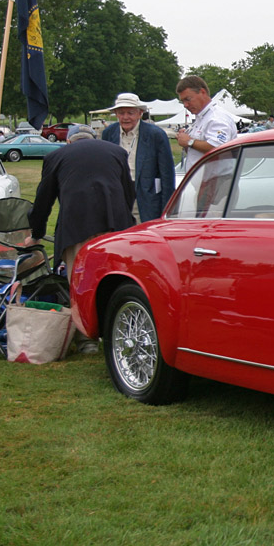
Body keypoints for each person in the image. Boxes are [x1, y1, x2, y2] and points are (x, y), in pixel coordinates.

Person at [26, 124, 135, 354]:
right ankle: (119, 333)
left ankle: (87, 339)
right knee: (115, 280)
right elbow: (128, 192)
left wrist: (36, 234)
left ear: (69, 141)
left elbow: (43, 201)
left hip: (77, 227)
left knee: (81, 283)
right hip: (114, 226)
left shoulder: (56, 156)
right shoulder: (116, 152)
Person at [101, 92, 176, 222]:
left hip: (145, 198)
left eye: (130, 113)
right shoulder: (109, 133)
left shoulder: (155, 135)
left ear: (140, 113)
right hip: (117, 196)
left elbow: (167, 175)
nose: (125, 117)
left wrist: (167, 209)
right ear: (116, 114)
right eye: (121, 113)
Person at [174, 75, 237, 171]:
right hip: (205, 181)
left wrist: (190, 141)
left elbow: (218, 148)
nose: (185, 105)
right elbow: (198, 151)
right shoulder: (202, 118)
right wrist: (186, 140)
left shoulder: (216, 117)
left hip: (218, 181)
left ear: (202, 92)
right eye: (183, 101)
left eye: (188, 99)